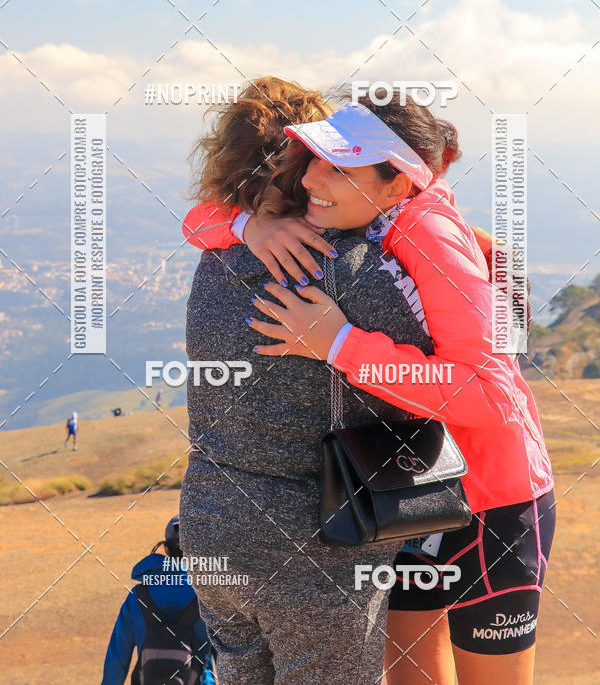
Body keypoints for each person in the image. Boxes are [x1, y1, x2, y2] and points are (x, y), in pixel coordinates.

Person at [189, 91, 555, 685]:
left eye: (337, 167)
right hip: (403, 495)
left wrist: (339, 345)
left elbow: (492, 398)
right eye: (311, 158)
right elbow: (197, 217)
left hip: (492, 500)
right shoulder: (357, 220)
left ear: (397, 184)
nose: (310, 177)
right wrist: (248, 223)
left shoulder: (431, 235)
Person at [179, 76, 436, 684]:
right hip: (319, 535)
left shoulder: (213, 258)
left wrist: (243, 224)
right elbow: (460, 362)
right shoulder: (357, 271)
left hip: (214, 523)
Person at [101, 514, 215, 685]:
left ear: (166, 550)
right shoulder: (210, 596)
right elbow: (227, 655)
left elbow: (117, 657)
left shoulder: (138, 596)